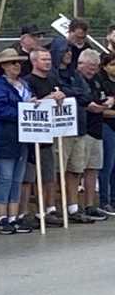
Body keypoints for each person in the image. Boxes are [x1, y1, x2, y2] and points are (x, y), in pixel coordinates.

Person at [0, 49, 33, 234]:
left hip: (23, 137)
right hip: (3, 136)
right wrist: (23, 111)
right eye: (12, 62)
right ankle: (1, 216)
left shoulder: (24, 84)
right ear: (3, 66)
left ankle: (14, 216)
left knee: (17, 178)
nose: (17, 65)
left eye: (18, 62)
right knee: (4, 177)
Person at [52, 36, 99, 224]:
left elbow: (86, 94)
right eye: (65, 50)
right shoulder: (53, 73)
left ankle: (73, 207)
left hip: (79, 126)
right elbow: (63, 91)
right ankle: (56, 206)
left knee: (75, 169)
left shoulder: (75, 74)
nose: (69, 54)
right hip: (62, 128)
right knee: (59, 170)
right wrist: (75, 93)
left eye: (70, 50)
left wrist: (72, 93)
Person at [23, 49, 66, 227]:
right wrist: (49, 98)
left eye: (49, 59)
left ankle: (50, 209)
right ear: (34, 61)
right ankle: (28, 212)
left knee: (49, 174)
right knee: (30, 176)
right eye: (44, 59)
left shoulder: (52, 80)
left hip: (49, 134)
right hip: (33, 133)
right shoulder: (28, 81)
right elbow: (30, 104)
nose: (48, 62)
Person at [74, 49, 111, 220]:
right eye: (90, 66)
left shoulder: (97, 80)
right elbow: (82, 101)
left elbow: (103, 98)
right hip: (83, 129)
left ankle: (90, 205)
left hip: (97, 130)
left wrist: (109, 101)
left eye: (95, 67)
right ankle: (74, 206)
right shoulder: (76, 80)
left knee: (93, 168)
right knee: (76, 169)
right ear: (81, 64)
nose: (93, 70)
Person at [98, 53, 115, 215]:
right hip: (107, 125)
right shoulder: (103, 84)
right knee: (107, 165)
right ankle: (105, 200)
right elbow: (102, 111)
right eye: (112, 64)